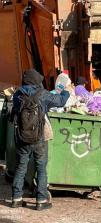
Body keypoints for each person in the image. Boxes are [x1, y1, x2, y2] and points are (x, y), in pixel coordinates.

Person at [11, 69, 70, 210]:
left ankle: (16, 198)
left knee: (21, 167)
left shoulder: (17, 94)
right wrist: (66, 90)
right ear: (37, 81)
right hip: (40, 137)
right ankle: (41, 201)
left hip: (22, 137)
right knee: (41, 168)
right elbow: (61, 101)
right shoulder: (42, 94)